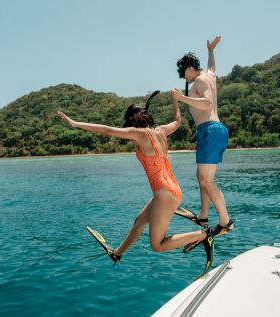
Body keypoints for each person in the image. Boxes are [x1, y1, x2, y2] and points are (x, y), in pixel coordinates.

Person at [57, 91, 210, 262]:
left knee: (157, 245)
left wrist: (75, 123)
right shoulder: (161, 131)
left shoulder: (140, 134)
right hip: (169, 190)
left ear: (132, 121)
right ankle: (118, 253)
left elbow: (107, 130)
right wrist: (175, 101)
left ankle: (203, 234)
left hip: (165, 193)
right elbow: (178, 121)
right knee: (139, 222)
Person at [172, 36, 234, 243]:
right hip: (213, 131)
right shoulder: (208, 76)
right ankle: (203, 216)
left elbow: (207, 103)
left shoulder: (199, 80)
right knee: (202, 179)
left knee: (206, 180)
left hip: (210, 130)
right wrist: (210, 51)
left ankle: (226, 221)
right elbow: (212, 67)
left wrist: (181, 98)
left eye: (183, 74)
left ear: (189, 69)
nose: (184, 78)